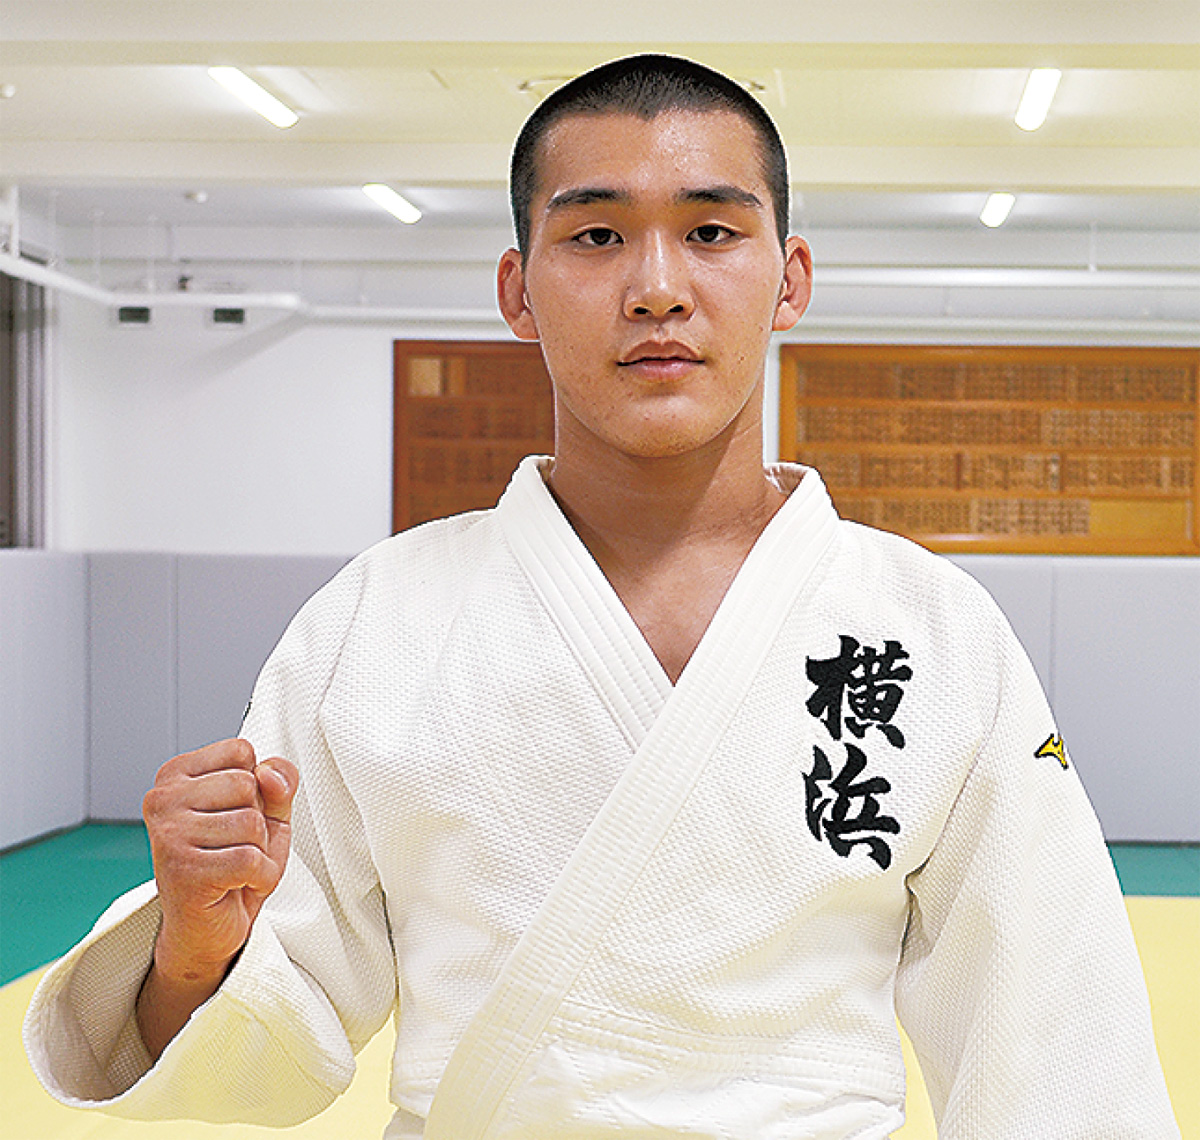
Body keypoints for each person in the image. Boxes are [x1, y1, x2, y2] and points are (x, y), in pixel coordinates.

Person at [24, 54, 1178, 1139]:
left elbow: (1055, 1045)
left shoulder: (932, 632)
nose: (657, 288)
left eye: (711, 231)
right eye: (596, 235)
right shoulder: (378, 622)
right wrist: (193, 942)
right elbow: (273, 1053)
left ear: (790, 279)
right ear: (518, 290)